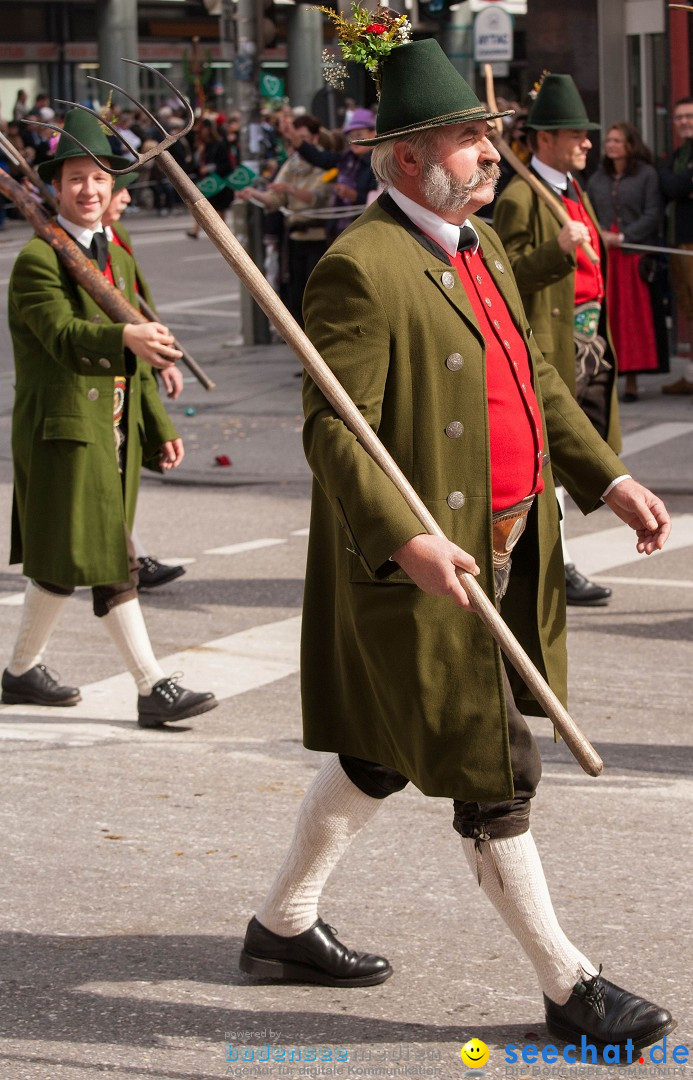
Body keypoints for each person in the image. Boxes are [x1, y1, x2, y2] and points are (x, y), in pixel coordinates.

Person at [239, 39, 675, 1054]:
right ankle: (570, 987)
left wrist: (606, 476)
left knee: (381, 757)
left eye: (488, 134)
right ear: (405, 159)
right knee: (495, 769)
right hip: (427, 566)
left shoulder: (478, 248)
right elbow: (333, 428)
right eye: (469, 137)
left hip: (511, 546)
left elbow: (540, 389)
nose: (490, 152)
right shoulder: (361, 267)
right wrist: (404, 541)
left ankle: (281, 927)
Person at [1, 109, 217, 727]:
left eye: (98, 178)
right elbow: (63, 335)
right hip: (65, 433)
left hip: (112, 436)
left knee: (63, 560)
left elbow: (140, 356)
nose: (88, 190)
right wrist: (123, 334)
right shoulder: (38, 261)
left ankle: (19, 673)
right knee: (110, 559)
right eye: (75, 179)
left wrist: (158, 428)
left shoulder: (115, 259)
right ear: (55, 186)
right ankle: (152, 687)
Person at [494, 74, 618, 608]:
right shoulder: (522, 195)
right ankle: (557, 563)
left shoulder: (573, 189)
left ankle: (554, 557)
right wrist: (560, 249)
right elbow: (506, 275)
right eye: (576, 133)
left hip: (590, 338)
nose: (588, 142)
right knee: (557, 459)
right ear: (545, 138)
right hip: (555, 344)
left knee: (588, 449)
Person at [102, 172, 187, 590]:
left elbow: (139, 304)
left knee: (110, 488)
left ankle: (128, 559)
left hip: (127, 377)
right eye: (120, 189)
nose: (126, 197)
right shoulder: (59, 251)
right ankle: (128, 560)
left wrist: (164, 358)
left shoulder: (116, 237)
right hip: (99, 385)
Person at [587, 123, 668, 401]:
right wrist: (600, 235)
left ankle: (632, 380)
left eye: (617, 141)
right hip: (606, 258)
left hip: (634, 258)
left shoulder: (647, 175)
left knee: (633, 320)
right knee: (608, 316)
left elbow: (653, 214)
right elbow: (590, 212)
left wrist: (622, 236)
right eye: (608, 140)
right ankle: (606, 376)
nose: (610, 145)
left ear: (630, 145)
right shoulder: (598, 178)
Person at [236, 115, 333, 329]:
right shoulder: (292, 165)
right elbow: (275, 198)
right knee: (295, 295)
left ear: (315, 138)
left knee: (318, 295)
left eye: (302, 138)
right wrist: (253, 194)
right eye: (292, 140)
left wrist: (290, 189)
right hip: (295, 237)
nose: (297, 144)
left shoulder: (328, 163)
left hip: (321, 237)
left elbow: (318, 196)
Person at [284, 107, 378, 241]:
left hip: (366, 232)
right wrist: (294, 138)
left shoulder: (379, 164)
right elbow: (319, 158)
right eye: (350, 136)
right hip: (340, 231)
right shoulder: (346, 159)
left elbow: (381, 199)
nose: (354, 140)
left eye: (359, 135)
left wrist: (354, 195)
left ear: (373, 133)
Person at [659, 97, 693, 394]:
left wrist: (679, 182)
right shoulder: (680, 154)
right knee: (687, 307)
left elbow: (676, 185)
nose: (684, 121)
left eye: (689, 116)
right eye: (679, 117)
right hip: (679, 238)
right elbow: (669, 185)